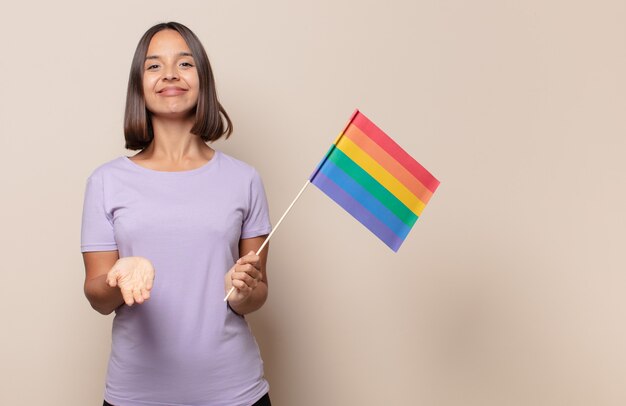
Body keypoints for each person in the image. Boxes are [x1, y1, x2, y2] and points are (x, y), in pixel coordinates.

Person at [81, 22, 272, 406]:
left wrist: (244, 289)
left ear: (203, 80)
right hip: (136, 393)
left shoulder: (244, 179)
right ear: (139, 85)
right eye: (154, 66)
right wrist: (118, 278)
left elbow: (255, 295)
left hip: (234, 392)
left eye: (184, 63)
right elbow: (98, 297)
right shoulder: (106, 181)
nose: (169, 74)